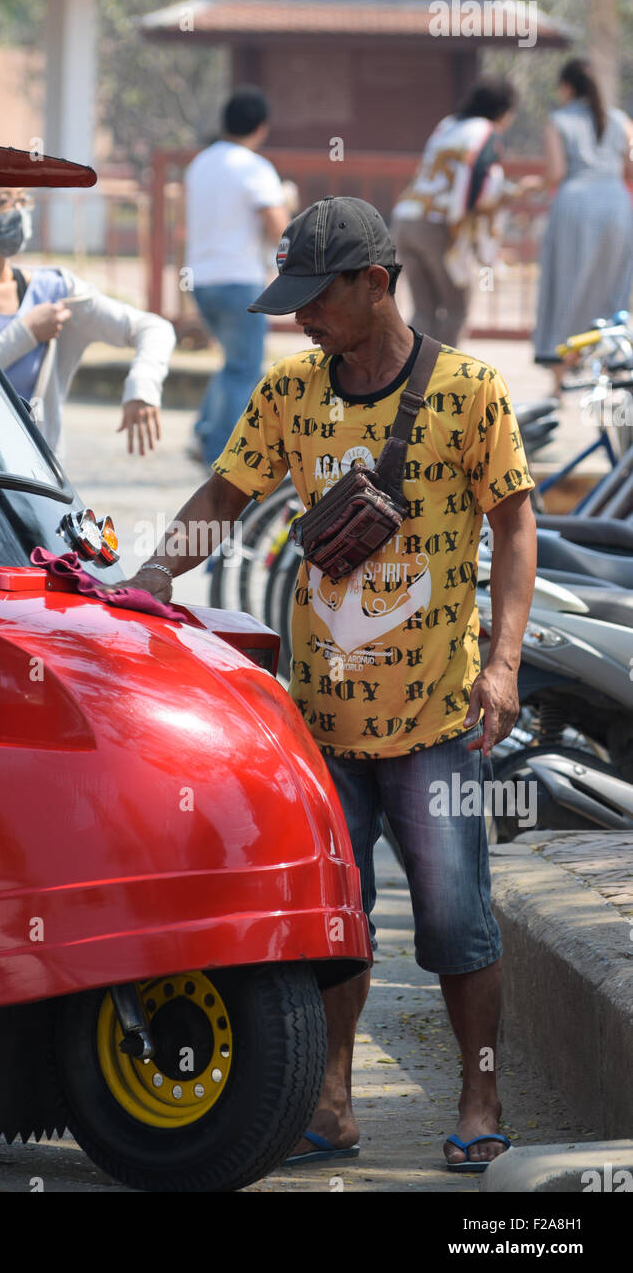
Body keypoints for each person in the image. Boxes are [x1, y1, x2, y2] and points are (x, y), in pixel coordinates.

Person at [101, 196, 537, 1172]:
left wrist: (500, 663)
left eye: (315, 297)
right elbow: (224, 494)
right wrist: (154, 575)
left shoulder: (469, 392)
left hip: (434, 716)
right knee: (332, 923)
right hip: (319, 724)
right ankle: (331, 1098)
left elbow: (514, 526)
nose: (301, 317)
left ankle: (478, 1091)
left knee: (457, 921)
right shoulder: (291, 394)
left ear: (373, 283)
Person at [0, 186, 175, 458]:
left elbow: (155, 329)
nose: (18, 213)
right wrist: (24, 335)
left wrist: (142, 388)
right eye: (3, 202)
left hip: (34, 477)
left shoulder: (55, 291)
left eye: (22, 200)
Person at [184, 87, 289, 467]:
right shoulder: (253, 167)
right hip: (238, 278)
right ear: (261, 128)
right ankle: (217, 453)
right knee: (244, 368)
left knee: (233, 363)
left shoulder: (201, 162)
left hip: (201, 277)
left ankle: (203, 433)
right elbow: (277, 224)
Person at [392, 77, 539, 348]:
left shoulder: (448, 124)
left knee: (424, 309)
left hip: (407, 217)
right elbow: (478, 186)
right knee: (456, 308)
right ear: (503, 110)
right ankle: (440, 378)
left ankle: (406, 373)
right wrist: (514, 192)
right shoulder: (486, 131)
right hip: (439, 224)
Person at [532, 57, 633, 374]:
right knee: (612, 285)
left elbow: (556, 173)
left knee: (565, 286)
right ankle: (609, 364)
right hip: (616, 205)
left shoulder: (558, 120)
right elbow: (629, 167)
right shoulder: (621, 120)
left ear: (566, 87)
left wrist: (531, 186)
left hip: (575, 206)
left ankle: (558, 372)